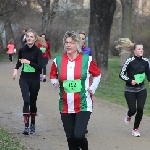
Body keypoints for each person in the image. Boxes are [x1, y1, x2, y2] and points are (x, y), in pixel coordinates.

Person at [50, 31, 101, 150]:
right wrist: (55, 82)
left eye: (71, 43)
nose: (68, 45)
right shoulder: (58, 60)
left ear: (77, 44)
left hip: (83, 103)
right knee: (70, 138)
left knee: (78, 135)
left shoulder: (86, 59)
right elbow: (52, 75)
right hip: (65, 104)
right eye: (66, 42)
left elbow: (97, 74)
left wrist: (93, 87)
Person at [13, 29, 42, 135]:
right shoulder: (22, 50)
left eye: (31, 37)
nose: (29, 38)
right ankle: (26, 127)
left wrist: (29, 62)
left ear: (35, 39)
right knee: (26, 101)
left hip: (34, 80)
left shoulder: (38, 52)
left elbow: (40, 67)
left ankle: (32, 124)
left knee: (33, 102)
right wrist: (16, 70)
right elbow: (19, 62)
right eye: (27, 36)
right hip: (24, 79)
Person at [119, 43, 150, 137]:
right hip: (130, 90)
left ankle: (135, 129)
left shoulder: (146, 61)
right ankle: (129, 115)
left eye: (142, 49)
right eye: (139, 49)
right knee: (133, 110)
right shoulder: (129, 61)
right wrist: (130, 80)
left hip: (141, 89)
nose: (141, 50)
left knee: (140, 109)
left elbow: (148, 73)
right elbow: (121, 74)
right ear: (134, 51)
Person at [78, 30, 92, 134]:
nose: (81, 40)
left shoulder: (88, 50)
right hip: (74, 80)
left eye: (83, 38)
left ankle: (84, 125)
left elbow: (91, 66)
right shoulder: (69, 50)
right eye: (79, 38)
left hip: (86, 80)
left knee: (86, 102)